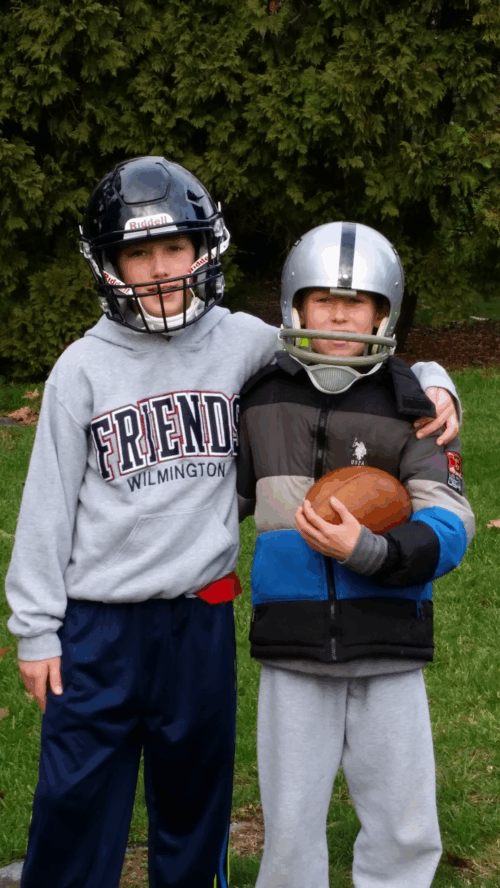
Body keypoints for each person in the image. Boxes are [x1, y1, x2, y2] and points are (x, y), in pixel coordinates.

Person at [5, 157, 460, 888]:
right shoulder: (80, 370)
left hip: (199, 617)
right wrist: (36, 628)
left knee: (194, 803)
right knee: (78, 796)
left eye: (174, 249)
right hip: (98, 623)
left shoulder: (243, 340)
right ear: (109, 264)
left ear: (204, 252)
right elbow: (46, 505)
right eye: (138, 252)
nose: (159, 270)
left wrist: (436, 381)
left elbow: (349, 350)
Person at [236, 222, 475, 888]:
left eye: (358, 301)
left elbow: (452, 522)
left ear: (384, 312)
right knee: (288, 831)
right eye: (323, 299)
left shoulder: (412, 406)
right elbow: (219, 507)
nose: (340, 314)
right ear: (294, 307)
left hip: (388, 644)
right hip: (292, 650)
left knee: (404, 826)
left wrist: (370, 549)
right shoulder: (261, 401)